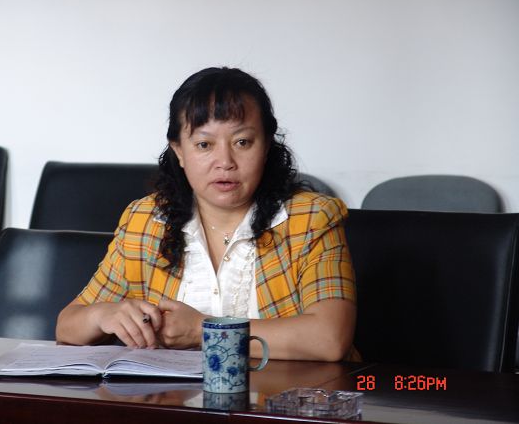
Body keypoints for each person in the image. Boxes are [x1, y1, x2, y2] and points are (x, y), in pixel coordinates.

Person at [56, 67, 357, 361]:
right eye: (204, 144)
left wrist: (203, 329)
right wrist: (103, 315)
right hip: (174, 394)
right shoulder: (145, 220)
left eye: (242, 142)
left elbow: (329, 339)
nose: (225, 161)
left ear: (266, 146)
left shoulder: (312, 218)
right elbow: (67, 326)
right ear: (179, 151)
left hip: (284, 394)